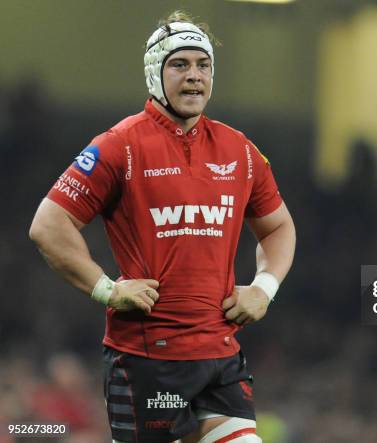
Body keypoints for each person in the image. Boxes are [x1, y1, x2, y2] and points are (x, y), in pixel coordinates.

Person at [29, 10, 296, 443]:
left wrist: (264, 286)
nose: (194, 77)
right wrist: (107, 289)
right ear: (155, 72)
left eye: (203, 65)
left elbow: (278, 227)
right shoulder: (119, 145)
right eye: (180, 64)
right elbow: (48, 223)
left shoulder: (240, 149)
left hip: (221, 355)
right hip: (149, 360)